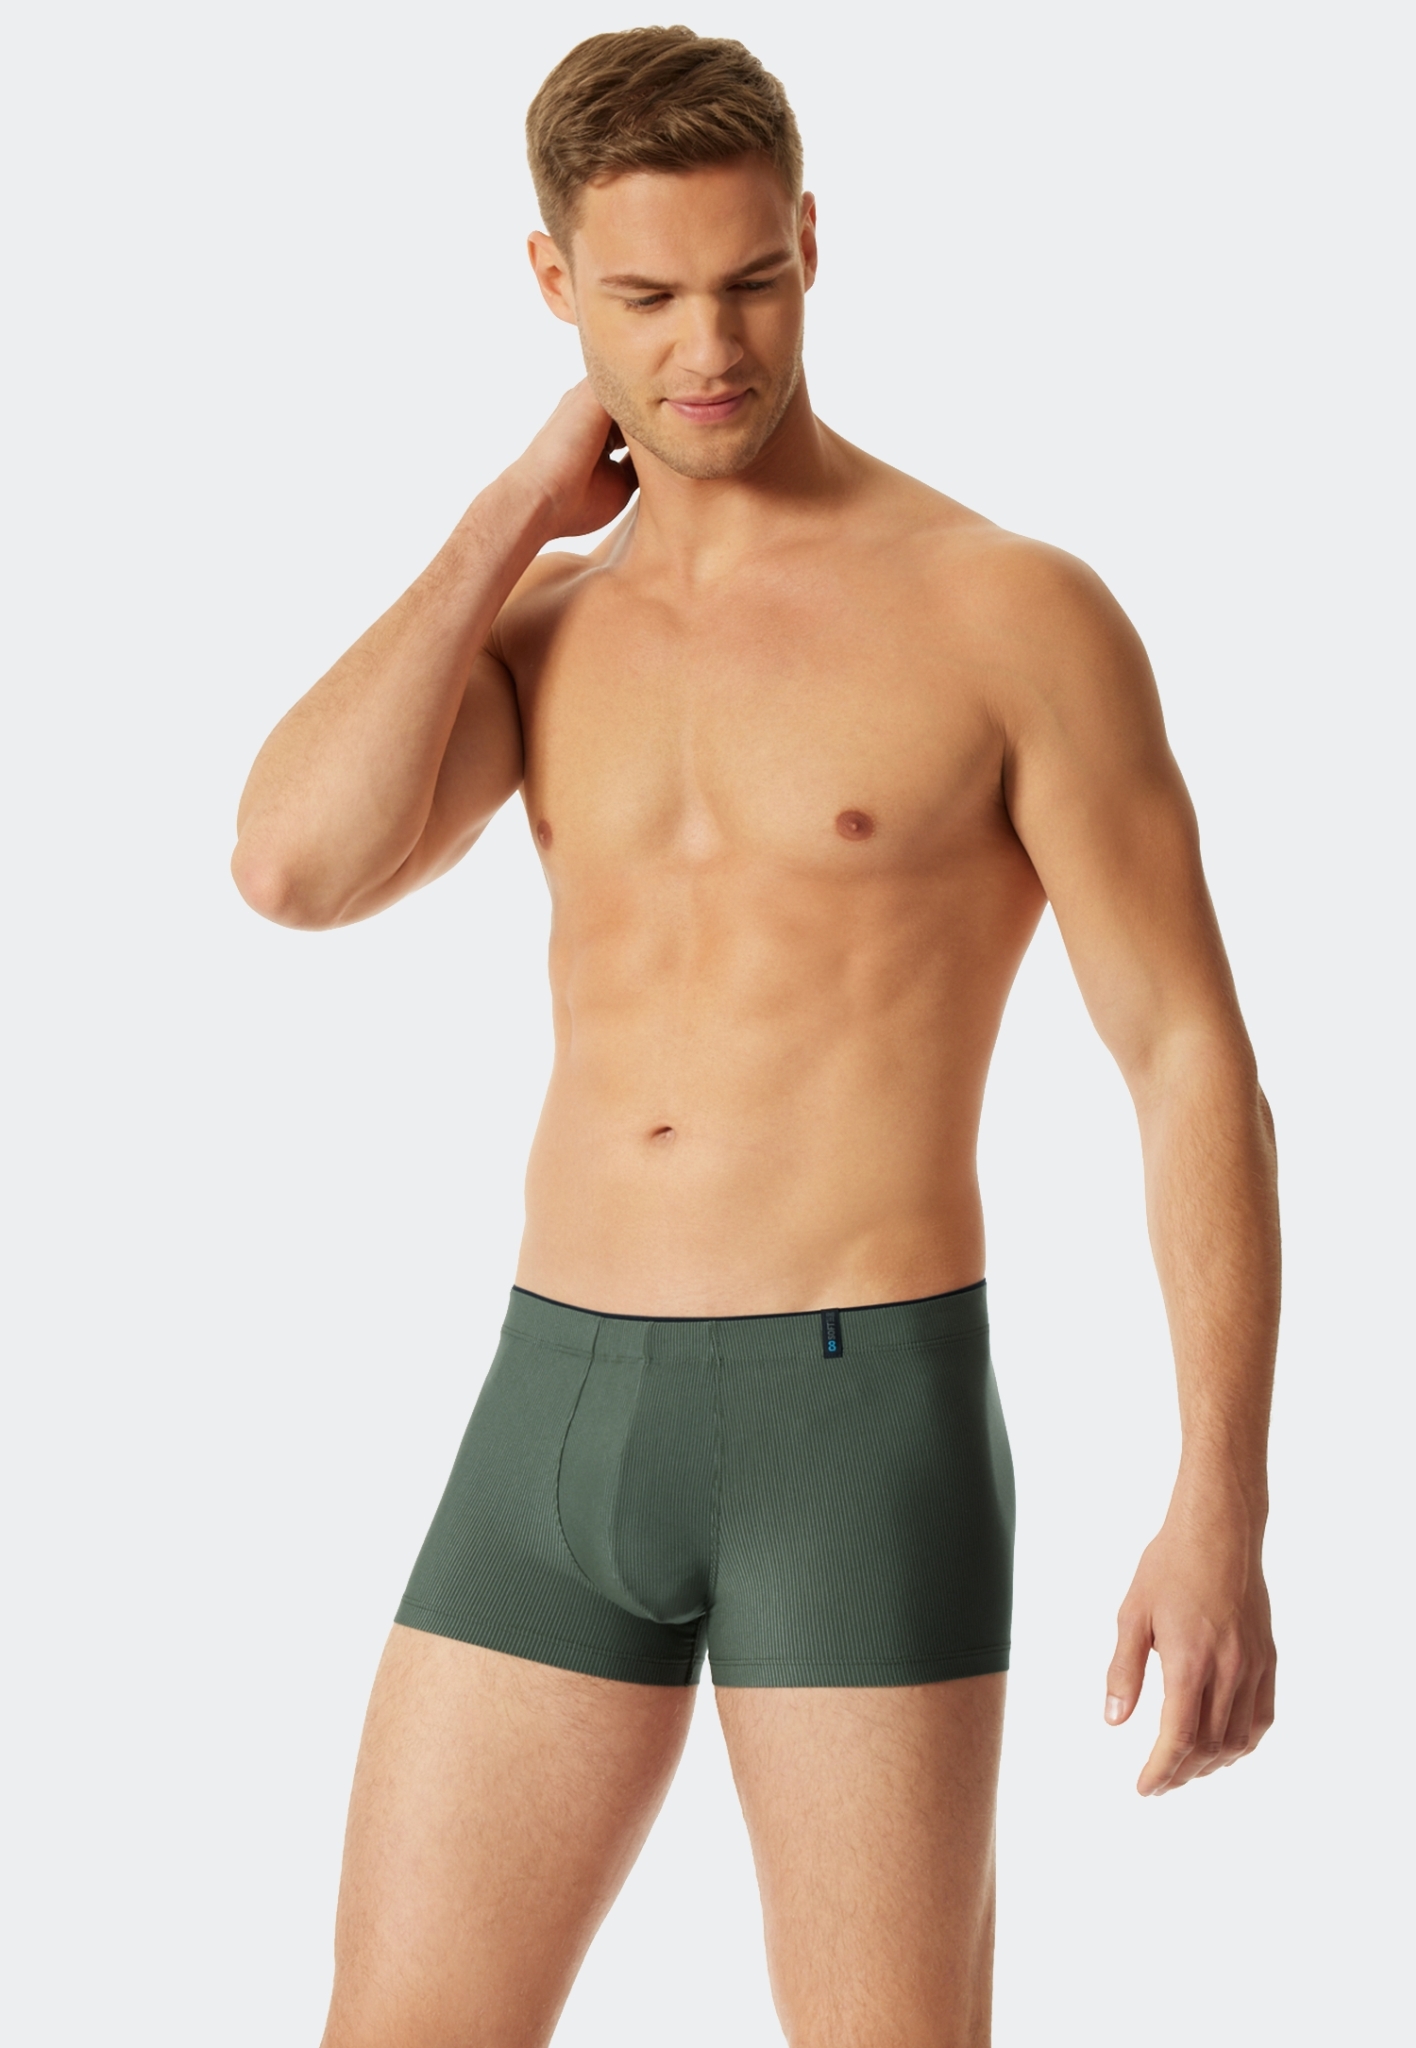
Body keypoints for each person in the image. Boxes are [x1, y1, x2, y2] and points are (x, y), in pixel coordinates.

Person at [232, 27, 1279, 2048]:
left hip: (854, 1423)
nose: (709, 348)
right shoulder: (545, 629)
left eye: (752, 281)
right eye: (645, 297)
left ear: (812, 240)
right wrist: (506, 517)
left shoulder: (1006, 611)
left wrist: (1218, 1495)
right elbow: (292, 865)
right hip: (553, 1406)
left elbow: (1186, 1056)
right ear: (553, 284)